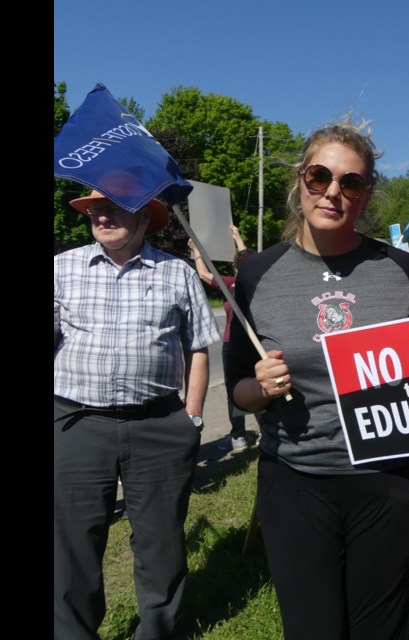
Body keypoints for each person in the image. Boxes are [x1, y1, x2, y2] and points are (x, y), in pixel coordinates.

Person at [224, 119, 409, 640]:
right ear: (300, 179)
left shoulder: (402, 270)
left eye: (350, 182)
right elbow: (239, 391)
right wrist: (262, 389)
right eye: (320, 176)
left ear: (365, 194)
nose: (333, 192)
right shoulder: (257, 274)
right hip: (295, 482)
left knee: (379, 630)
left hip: (383, 484)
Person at [55, 190, 221, 639]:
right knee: (72, 545)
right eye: (95, 209)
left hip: (159, 426)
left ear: (146, 218)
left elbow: (199, 347)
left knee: (161, 544)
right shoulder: (62, 268)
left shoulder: (177, 273)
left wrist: (193, 418)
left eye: (114, 207)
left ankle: (158, 632)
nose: (102, 215)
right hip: (76, 424)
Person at [188, 226, 257, 451]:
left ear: (236, 269)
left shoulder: (231, 284)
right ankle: (267, 432)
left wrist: (197, 251)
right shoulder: (257, 282)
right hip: (257, 344)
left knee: (235, 389)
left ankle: (238, 437)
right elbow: (248, 260)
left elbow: (204, 274)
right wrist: (237, 237)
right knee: (262, 386)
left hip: (234, 345)